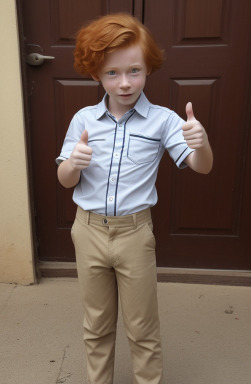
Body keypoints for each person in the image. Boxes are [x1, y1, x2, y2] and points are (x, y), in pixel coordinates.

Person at [56, 12, 213, 384]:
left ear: (148, 69)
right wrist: (73, 165)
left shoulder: (163, 121)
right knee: (95, 323)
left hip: (135, 235)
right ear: (96, 74)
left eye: (135, 71)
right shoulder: (83, 121)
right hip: (88, 231)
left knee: (142, 327)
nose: (125, 83)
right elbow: (64, 180)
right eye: (112, 73)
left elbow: (201, 166)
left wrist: (201, 144)